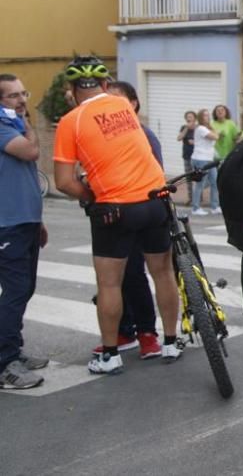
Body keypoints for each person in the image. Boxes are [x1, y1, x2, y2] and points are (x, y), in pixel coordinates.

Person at [52, 56, 181, 375]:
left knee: (110, 283)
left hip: (115, 208)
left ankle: (110, 355)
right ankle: (170, 341)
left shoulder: (71, 121)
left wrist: (91, 196)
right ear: (106, 85)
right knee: (162, 273)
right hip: (155, 199)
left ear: (70, 90)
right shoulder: (124, 108)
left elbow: (64, 182)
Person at [95, 80, 162, 359]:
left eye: (117, 99)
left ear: (132, 103)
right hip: (114, 213)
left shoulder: (142, 134)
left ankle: (147, 333)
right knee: (116, 278)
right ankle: (124, 331)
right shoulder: (102, 135)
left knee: (136, 275)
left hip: (142, 211)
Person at [0, 74, 49, 389]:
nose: (21, 100)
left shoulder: (14, 125)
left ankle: (12, 350)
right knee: (16, 291)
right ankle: (5, 364)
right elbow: (31, 153)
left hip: (25, 222)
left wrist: (38, 221)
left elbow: (27, 175)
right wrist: (28, 124)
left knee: (24, 289)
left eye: (23, 93)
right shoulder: (5, 127)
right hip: (7, 225)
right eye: (12, 96)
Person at [190, 109, 220, 216]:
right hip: (200, 158)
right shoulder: (201, 128)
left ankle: (214, 206)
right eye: (205, 116)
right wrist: (216, 131)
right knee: (200, 183)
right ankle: (195, 207)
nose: (207, 117)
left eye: (208, 115)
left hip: (208, 159)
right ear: (200, 117)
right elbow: (215, 136)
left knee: (215, 182)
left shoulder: (207, 128)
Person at [177, 111, 197, 205]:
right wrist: (186, 128)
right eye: (187, 117)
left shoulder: (198, 128)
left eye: (191, 117)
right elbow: (179, 138)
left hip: (197, 157)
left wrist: (195, 142)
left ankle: (198, 197)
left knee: (197, 177)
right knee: (189, 178)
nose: (189, 118)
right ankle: (191, 198)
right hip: (187, 156)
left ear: (195, 118)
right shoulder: (183, 127)